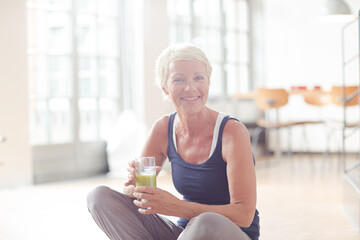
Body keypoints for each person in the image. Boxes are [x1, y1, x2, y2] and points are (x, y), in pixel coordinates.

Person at [87, 43, 260, 240]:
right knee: (99, 197)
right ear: (165, 88)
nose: (190, 87)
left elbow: (244, 216)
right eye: (178, 79)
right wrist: (134, 187)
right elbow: (135, 192)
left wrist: (177, 207)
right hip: (185, 235)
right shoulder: (163, 129)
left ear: (208, 83)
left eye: (198, 78)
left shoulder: (232, 132)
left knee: (206, 221)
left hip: (228, 233)